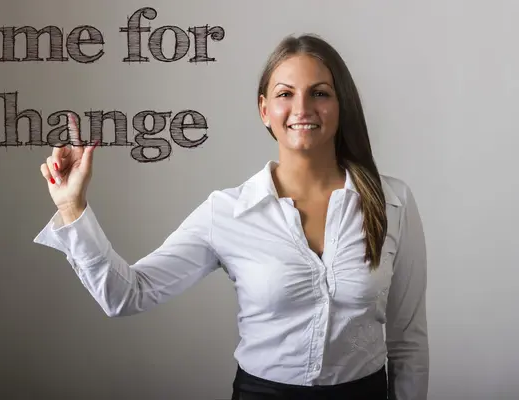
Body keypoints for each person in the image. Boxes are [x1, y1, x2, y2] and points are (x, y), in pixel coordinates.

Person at [34, 33, 429, 400]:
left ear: (341, 105)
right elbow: (127, 295)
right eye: (285, 94)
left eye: (320, 93)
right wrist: (72, 207)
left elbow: (407, 340)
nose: (302, 108)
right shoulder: (226, 213)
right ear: (264, 109)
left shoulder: (393, 202)